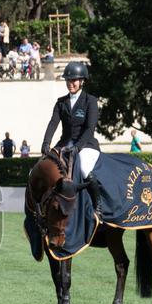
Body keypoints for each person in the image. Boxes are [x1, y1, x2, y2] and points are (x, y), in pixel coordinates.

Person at [41, 61, 102, 212]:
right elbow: (53, 123)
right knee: (44, 167)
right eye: (68, 80)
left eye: (73, 80)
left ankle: (98, 206)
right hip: (65, 143)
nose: (70, 83)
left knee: (84, 169)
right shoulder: (61, 102)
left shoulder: (91, 101)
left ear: (82, 81)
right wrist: (46, 143)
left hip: (86, 144)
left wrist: (78, 147)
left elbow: (90, 128)